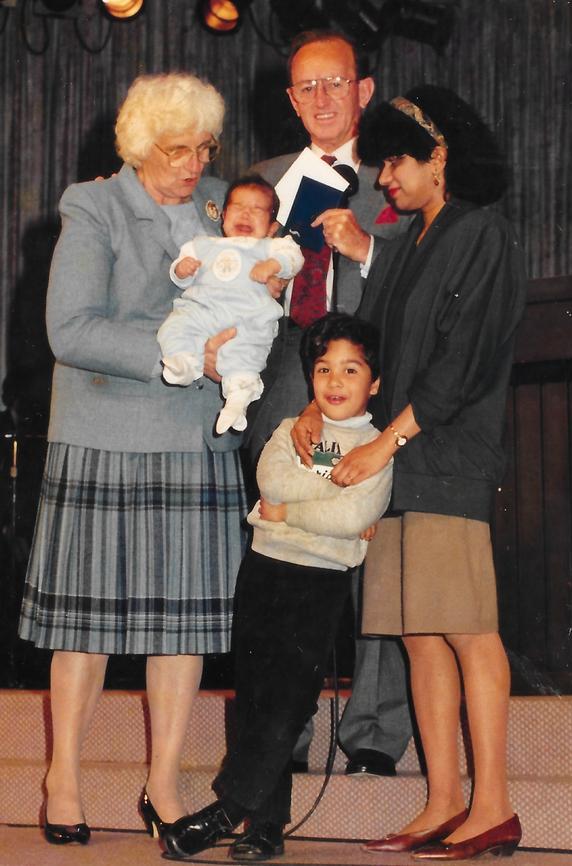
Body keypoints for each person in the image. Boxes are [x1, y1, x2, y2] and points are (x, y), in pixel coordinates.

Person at [17, 72, 277, 846]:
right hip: (104, 434)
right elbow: (71, 331)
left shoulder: (226, 204)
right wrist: (186, 356)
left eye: (204, 147)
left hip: (194, 440)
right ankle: (63, 776)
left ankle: (162, 782)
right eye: (175, 150)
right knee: (86, 624)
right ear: (137, 147)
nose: (194, 164)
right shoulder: (94, 206)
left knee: (183, 627)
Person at [292, 86, 527, 859]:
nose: (384, 177)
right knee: (422, 635)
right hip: (399, 459)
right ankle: (444, 801)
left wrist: (381, 445)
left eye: (395, 161)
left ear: (441, 157)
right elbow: (375, 353)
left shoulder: (479, 233)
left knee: (466, 630)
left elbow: (457, 368)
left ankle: (492, 804)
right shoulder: (412, 240)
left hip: (444, 459)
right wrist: (320, 410)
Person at [163, 313, 394, 861]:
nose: (334, 381)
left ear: (375, 382)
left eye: (350, 369)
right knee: (257, 700)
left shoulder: (375, 448)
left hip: (321, 580)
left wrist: (290, 509)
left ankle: (225, 810)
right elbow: (271, 480)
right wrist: (323, 495)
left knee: (289, 701)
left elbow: (352, 514)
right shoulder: (292, 428)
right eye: (323, 369)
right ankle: (265, 827)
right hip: (265, 567)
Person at [247, 28, 413, 780]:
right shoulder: (255, 183)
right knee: (290, 562)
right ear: (291, 98)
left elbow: (420, 290)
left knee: (374, 558)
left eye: (335, 83)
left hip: (374, 394)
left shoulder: (398, 183)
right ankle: (284, 729)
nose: (321, 99)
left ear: (364, 91)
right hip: (285, 389)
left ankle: (374, 731)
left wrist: (367, 253)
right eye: (306, 86)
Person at [158, 175, 303, 434]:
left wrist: (274, 265)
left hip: (248, 317)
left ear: (271, 227)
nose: (246, 215)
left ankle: (239, 399)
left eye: (257, 210)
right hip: (203, 311)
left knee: (246, 352)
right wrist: (182, 269)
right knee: (176, 326)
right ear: (223, 216)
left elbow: (293, 256)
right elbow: (181, 274)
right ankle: (183, 362)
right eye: (238, 207)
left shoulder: (271, 247)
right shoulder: (204, 244)